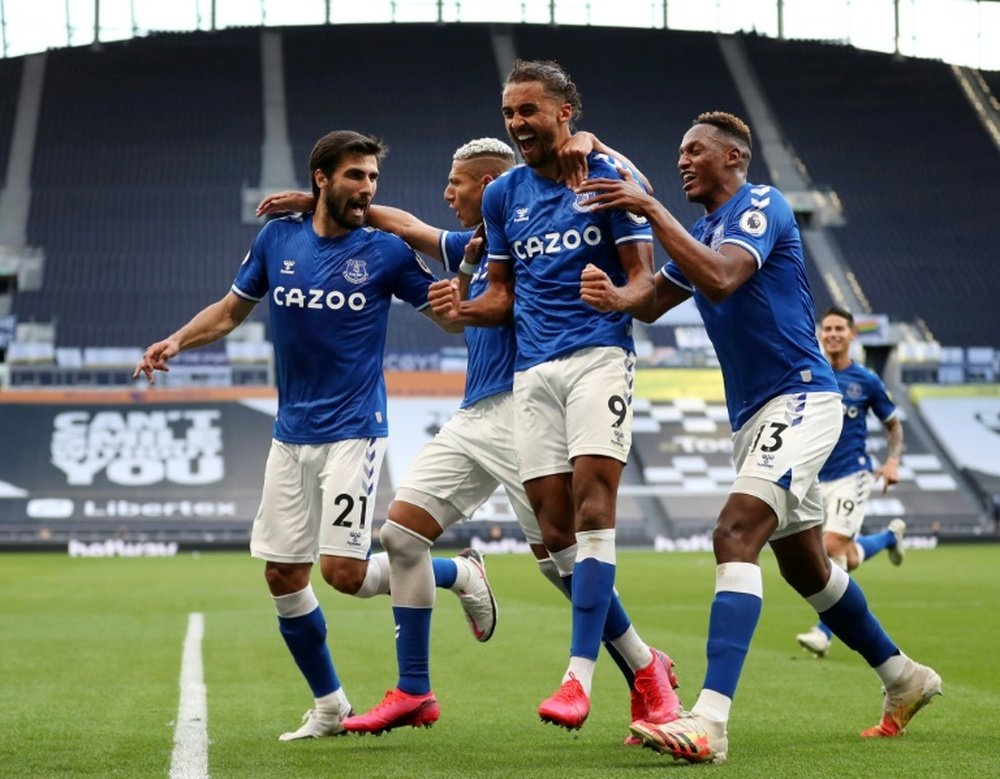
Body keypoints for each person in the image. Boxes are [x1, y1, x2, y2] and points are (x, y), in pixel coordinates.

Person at [261, 134, 680, 740]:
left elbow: (631, 203)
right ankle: (414, 688)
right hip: (472, 414)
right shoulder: (476, 244)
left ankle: (645, 665)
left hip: (523, 407)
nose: (446, 193)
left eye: (455, 183)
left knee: (562, 561)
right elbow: (405, 224)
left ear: (487, 185)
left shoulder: (532, 242)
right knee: (400, 533)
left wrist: (596, 148)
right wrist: (319, 201)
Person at [574, 112, 941, 763]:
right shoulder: (708, 230)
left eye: (695, 151)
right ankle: (903, 675)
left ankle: (708, 722)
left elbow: (721, 276)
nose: (683, 161)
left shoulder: (760, 205)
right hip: (755, 415)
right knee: (807, 566)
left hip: (801, 395)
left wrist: (651, 205)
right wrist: (615, 297)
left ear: (733, 158)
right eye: (679, 152)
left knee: (733, 532)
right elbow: (656, 298)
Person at [134, 130, 495, 742]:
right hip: (290, 433)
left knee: (343, 575)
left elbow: (448, 322)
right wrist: (175, 340)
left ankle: (457, 574)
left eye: (373, 178)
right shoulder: (278, 239)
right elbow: (229, 310)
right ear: (322, 178)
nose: (367, 188)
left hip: (354, 432)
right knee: (282, 575)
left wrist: (450, 301)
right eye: (356, 175)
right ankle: (329, 706)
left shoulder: (383, 252)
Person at [429, 60, 677, 733]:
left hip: (599, 357)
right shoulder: (505, 194)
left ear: (565, 111)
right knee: (556, 531)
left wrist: (616, 297)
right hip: (532, 376)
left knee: (595, 508)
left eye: (528, 111)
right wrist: (464, 307)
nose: (516, 124)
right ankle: (649, 667)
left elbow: (644, 283)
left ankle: (579, 676)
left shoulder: (605, 174)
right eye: (509, 114)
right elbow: (503, 295)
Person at [796, 305, 907, 658]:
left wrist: (892, 461)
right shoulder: (810, 375)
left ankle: (823, 633)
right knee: (844, 555)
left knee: (829, 547)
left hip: (853, 474)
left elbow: (893, 425)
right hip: (817, 477)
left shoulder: (866, 381)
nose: (832, 334)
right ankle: (890, 537)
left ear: (851, 334)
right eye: (826, 329)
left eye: (839, 329)